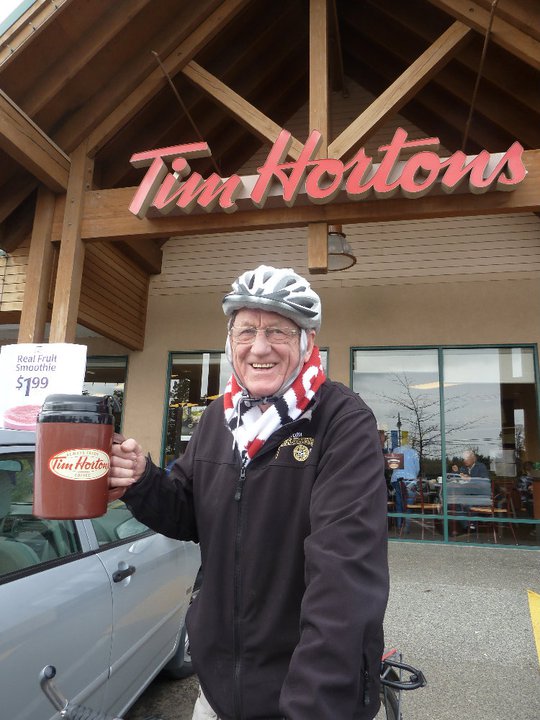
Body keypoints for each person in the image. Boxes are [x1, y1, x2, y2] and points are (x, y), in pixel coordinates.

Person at [108, 265, 389, 720]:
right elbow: (189, 513)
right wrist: (142, 479)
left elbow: (344, 577)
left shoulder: (342, 421)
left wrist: (314, 704)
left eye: (278, 330)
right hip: (218, 691)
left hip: (303, 693)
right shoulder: (220, 418)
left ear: (306, 343)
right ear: (230, 341)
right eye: (247, 331)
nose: (260, 347)